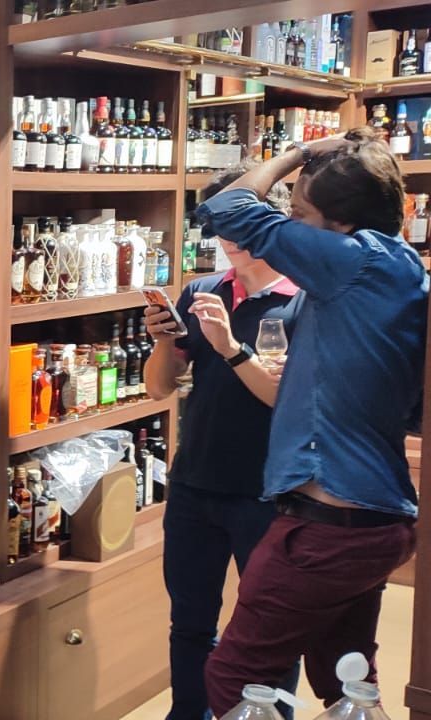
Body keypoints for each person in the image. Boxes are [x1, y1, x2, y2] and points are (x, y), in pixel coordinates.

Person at [199, 129, 425, 716]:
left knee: (235, 673)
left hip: (328, 527)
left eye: (299, 216)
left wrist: (299, 153)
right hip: (373, 521)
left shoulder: (357, 262)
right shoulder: (397, 268)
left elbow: (228, 208)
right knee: (347, 681)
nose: (290, 227)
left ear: (341, 227)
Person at [143, 162, 303, 720]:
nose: (228, 239)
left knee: (270, 628)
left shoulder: (303, 300)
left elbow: (282, 399)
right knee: (189, 622)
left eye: (238, 225)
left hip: (269, 492)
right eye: (218, 227)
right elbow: (160, 387)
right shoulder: (202, 290)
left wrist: (231, 346)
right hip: (194, 483)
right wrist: (163, 341)